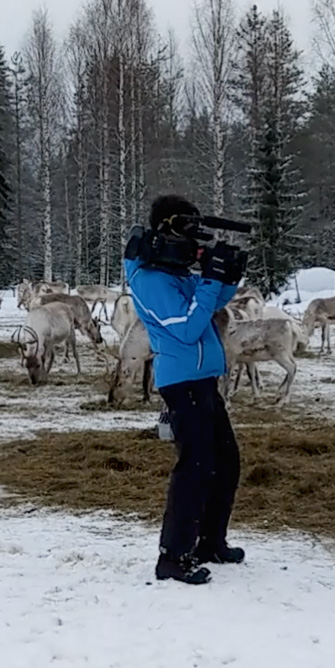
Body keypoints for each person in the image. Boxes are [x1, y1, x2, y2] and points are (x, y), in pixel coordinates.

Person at [124, 194, 247, 584]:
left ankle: (210, 540)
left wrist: (227, 275)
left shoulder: (173, 273)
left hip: (204, 380)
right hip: (181, 382)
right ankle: (173, 557)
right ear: (166, 228)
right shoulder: (149, 279)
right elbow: (187, 327)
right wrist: (211, 281)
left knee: (225, 463)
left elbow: (208, 303)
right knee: (194, 468)